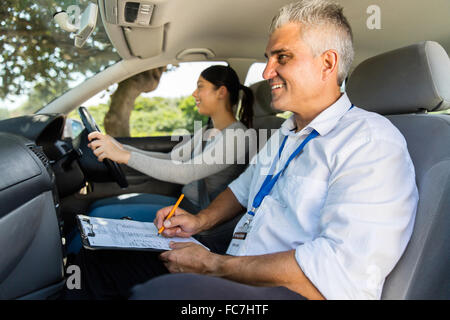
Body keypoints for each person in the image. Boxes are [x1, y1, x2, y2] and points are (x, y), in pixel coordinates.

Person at [64, 0, 418, 300]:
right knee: (96, 264)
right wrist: (199, 221)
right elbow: (246, 186)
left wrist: (215, 267)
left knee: (159, 294)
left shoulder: (371, 142)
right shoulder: (287, 131)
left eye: (283, 57)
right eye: (268, 58)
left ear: (327, 64)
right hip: (235, 263)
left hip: (283, 290)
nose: (267, 71)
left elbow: (336, 271)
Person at [65, 65, 256, 254]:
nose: (194, 93)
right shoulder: (208, 131)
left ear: (221, 92)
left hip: (198, 218)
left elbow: (186, 173)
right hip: (183, 205)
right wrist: (121, 147)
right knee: (99, 206)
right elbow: (171, 158)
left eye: (200, 87)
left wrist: (124, 156)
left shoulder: (237, 136)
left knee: (97, 217)